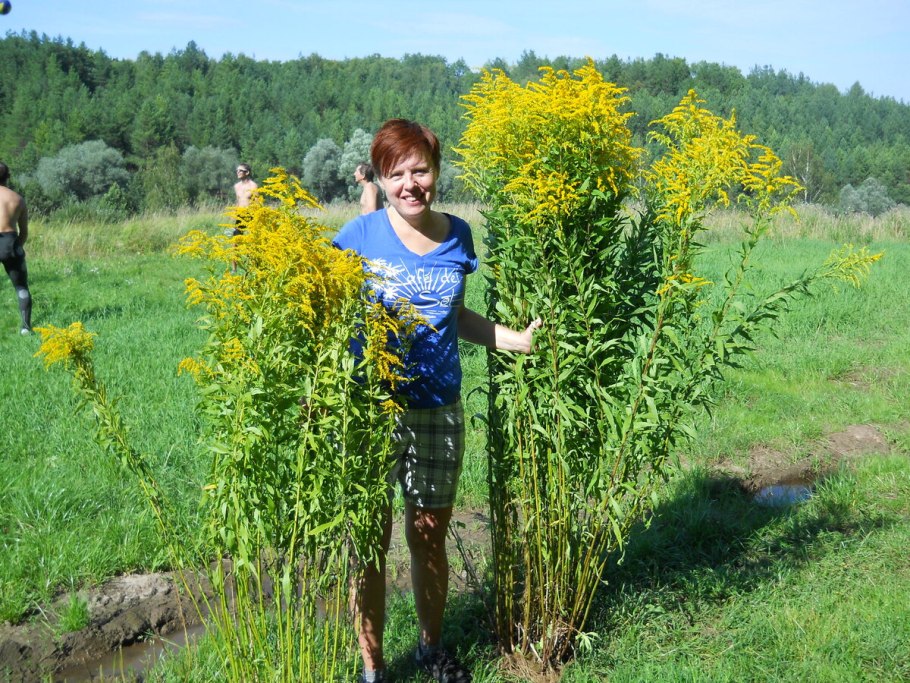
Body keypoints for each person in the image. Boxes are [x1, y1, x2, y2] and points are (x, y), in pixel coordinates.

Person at [333, 119, 541, 683]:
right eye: (396, 173)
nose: (409, 184)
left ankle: (431, 650)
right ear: (380, 176)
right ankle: (372, 668)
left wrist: (513, 339)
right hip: (369, 411)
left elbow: (456, 316)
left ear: (436, 170)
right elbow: (324, 313)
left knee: (428, 537)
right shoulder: (356, 236)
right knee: (367, 544)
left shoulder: (459, 236)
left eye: (419, 169)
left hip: (437, 410)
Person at [0, 162, 32, 335]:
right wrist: (16, 247)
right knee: (21, 287)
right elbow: (24, 232)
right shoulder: (18, 199)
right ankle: (26, 328)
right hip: (10, 243)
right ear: (8, 177)